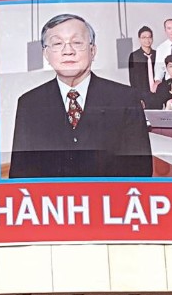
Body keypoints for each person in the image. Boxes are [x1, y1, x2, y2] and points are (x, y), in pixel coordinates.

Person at [9, 13, 153, 179]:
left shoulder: (126, 99)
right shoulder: (29, 104)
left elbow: (140, 171)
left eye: (77, 42)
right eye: (57, 43)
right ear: (46, 54)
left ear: (93, 51)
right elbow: (20, 174)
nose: (68, 51)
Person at [127, 25, 159, 106]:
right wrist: (138, 98)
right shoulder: (134, 56)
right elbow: (133, 80)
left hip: (158, 93)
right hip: (142, 95)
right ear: (139, 39)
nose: (147, 40)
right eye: (144, 37)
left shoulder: (158, 54)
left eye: (149, 37)